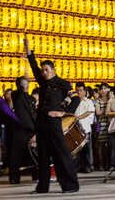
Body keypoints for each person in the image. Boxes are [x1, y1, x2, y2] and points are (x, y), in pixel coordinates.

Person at [24, 37, 80, 194]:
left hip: (54, 123)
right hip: (41, 124)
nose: (44, 73)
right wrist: (28, 49)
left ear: (54, 70)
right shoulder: (43, 82)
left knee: (61, 155)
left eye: (46, 70)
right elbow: (33, 66)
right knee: (42, 157)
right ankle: (42, 187)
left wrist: (64, 113)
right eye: (42, 71)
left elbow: (76, 99)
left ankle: (70, 185)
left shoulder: (63, 83)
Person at [9, 76, 36, 184]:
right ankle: (15, 177)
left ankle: (36, 175)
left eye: (27, 83)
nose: (26, 86)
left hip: (31, 129)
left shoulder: (31, 99)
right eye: (23, 84)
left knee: (33, 153)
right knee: (17, 154)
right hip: (20, 129)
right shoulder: (16, 95)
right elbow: (18, 93)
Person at [74, 82, 95, 173]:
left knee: (86, 148)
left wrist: (78, 117)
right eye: (77, 90)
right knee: (75, 149)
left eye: (81, 90)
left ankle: (87, 166)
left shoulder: (89, 101)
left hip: (85, 128)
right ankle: (75, 167)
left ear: (85, 91)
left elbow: (89, 112)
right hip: (74, 129)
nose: (79, 92)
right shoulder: (72, 101)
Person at [95, 83, 111, 170]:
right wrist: (107, 111)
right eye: (101, 89)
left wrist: (104, 112)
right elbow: (98, 113)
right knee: (101, 145)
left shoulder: (111, 99)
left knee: (109, 145)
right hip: (102, 124)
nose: (103, 91)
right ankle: (101, 164)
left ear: (108, 89)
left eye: (105, 88)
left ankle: (108, 164)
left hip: (110, 124)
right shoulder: (98, 101)